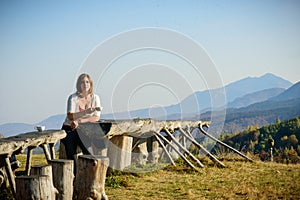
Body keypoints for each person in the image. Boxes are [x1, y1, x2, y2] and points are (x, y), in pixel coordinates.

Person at [61, 73, 102, 160]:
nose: (85, 84)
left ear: (90, 84)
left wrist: (79, 121)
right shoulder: (73, 98)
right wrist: (85, 112)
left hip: (85, 129)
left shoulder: (95, 98)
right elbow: (70, 116)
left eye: (87, 82)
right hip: (70, 128)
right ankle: (73, 173)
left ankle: (87, 173)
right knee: (71, 155)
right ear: (79, 85)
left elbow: (96, 117)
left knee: (89, 153)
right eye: (82, 82)